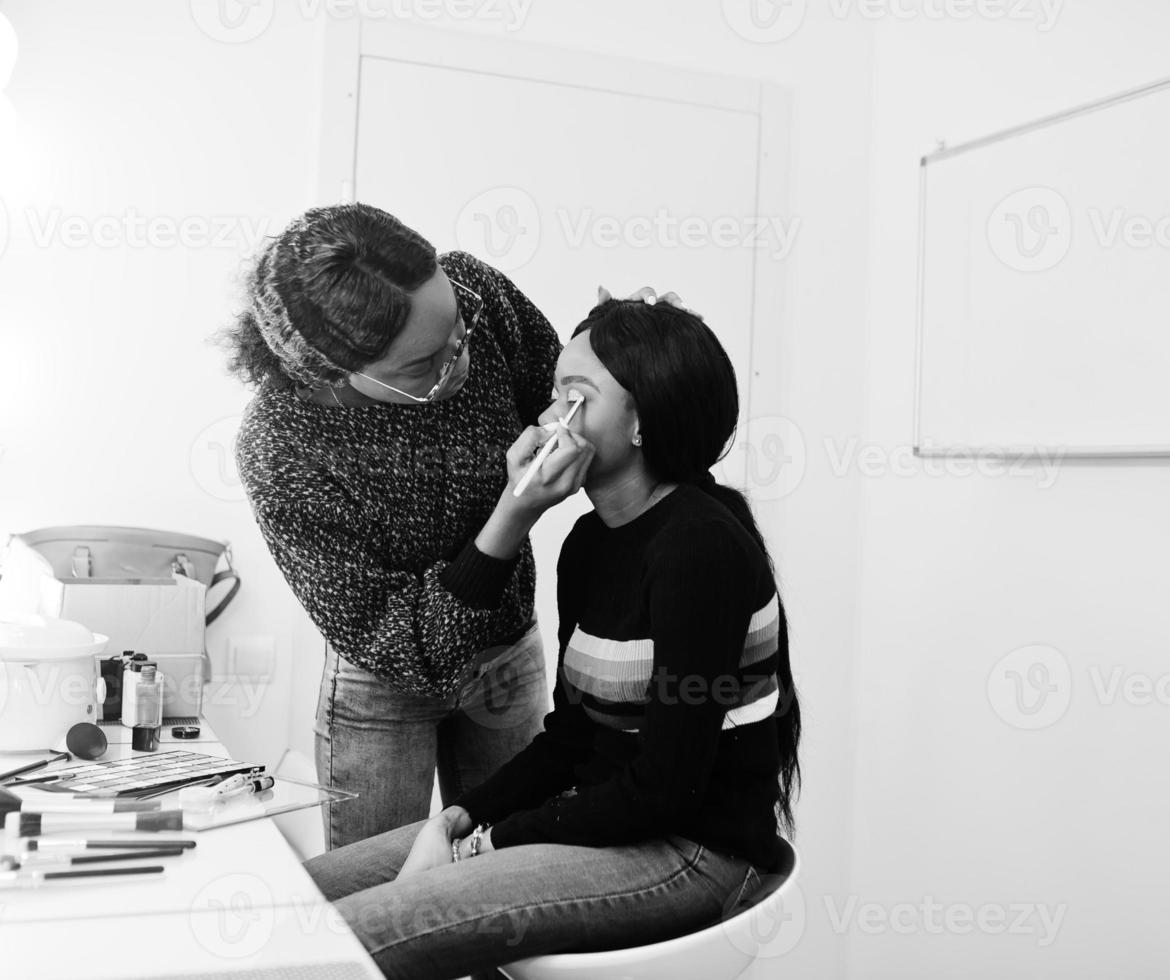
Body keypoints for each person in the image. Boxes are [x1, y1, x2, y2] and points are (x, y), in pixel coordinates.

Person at [301, 295, 803, 980]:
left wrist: (484, 845)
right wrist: (459, 817)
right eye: (552, 394)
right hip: (610, 827)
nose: (546, 419)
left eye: (575, 397)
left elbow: (666, 790)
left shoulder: (699, 547)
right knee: (290, 901)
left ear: (642, 424)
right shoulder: (588, 544)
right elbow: (573, 740)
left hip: (690, 852)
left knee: (341, 945)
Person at [225, 203, 582, 848]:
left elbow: (567, 403)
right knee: (382, 896)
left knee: (514, 877)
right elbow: (403, 646)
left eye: (458, 334)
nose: (463, 363)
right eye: (424, 368)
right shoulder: (284, 446)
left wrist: (628, 345)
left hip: (508, 655)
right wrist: (511, 516)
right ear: (332, 372)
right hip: (384, 688)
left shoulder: (478, 292)